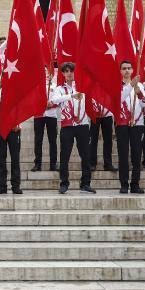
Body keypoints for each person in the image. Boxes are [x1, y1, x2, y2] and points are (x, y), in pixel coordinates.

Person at [52, 62, 95, 194]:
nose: (69, 73)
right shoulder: (59, 89)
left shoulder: (83, 86)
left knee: (86, 155)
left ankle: (85, 183)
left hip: (82, 124)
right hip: (67, 125)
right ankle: (64, 183)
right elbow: (55, 100)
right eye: (66, 71)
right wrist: (71, 96)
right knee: (64, 155)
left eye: (71, 71)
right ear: (63, 74)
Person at [0, 63, 22, 194]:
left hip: (13, 128)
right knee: (0, 158)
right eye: (3, 76)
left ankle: (15, 185)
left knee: (15, 158)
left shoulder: (16, 90)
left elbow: (20, 108)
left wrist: (18, 123)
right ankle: (2, 185)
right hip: (0, 128)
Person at [116, 61, 145, 194]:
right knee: (123, 154)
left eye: (129, 68)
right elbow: (119, 99)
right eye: (124, 69)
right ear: (120, 71)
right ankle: (124, 184)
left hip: (137, 123)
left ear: (133, 69)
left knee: (136, 154)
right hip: (122, 123)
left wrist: (139, 92)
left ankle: (135, 184)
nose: (127, 71)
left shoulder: (139, 84)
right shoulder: (117, 85)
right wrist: (130, 85)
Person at [30, 67, 58, 173]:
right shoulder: (36, 86)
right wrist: (42, 104)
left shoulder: (55, 86)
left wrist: (52, 104)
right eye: (43, 71)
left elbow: (58, 100)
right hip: (39, 115)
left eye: (47, 72)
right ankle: (37, 164)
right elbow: (32, 99)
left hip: (51, 115)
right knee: (38, 140)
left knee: (53, 140)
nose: (45, 73)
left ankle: (53, 164)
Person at [89, 99, 116, 172]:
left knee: (108, 140)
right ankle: (92, 163)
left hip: (107, 114)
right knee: (93, 139)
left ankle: (108, 164)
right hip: (95, 113)